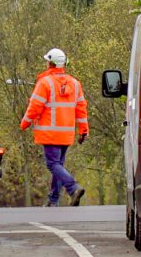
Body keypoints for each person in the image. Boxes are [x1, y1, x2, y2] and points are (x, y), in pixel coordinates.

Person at [21, 47, 90, 206]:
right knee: (58, 165)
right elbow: (81, 109)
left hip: (49, 133)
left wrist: (25, 122)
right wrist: (83, 130)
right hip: (66, 133)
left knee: (52, 164)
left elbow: (35, 106)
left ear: (50, 63)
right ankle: (53, 200)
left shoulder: (45, 83)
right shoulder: (75, 84)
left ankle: (73, 188)